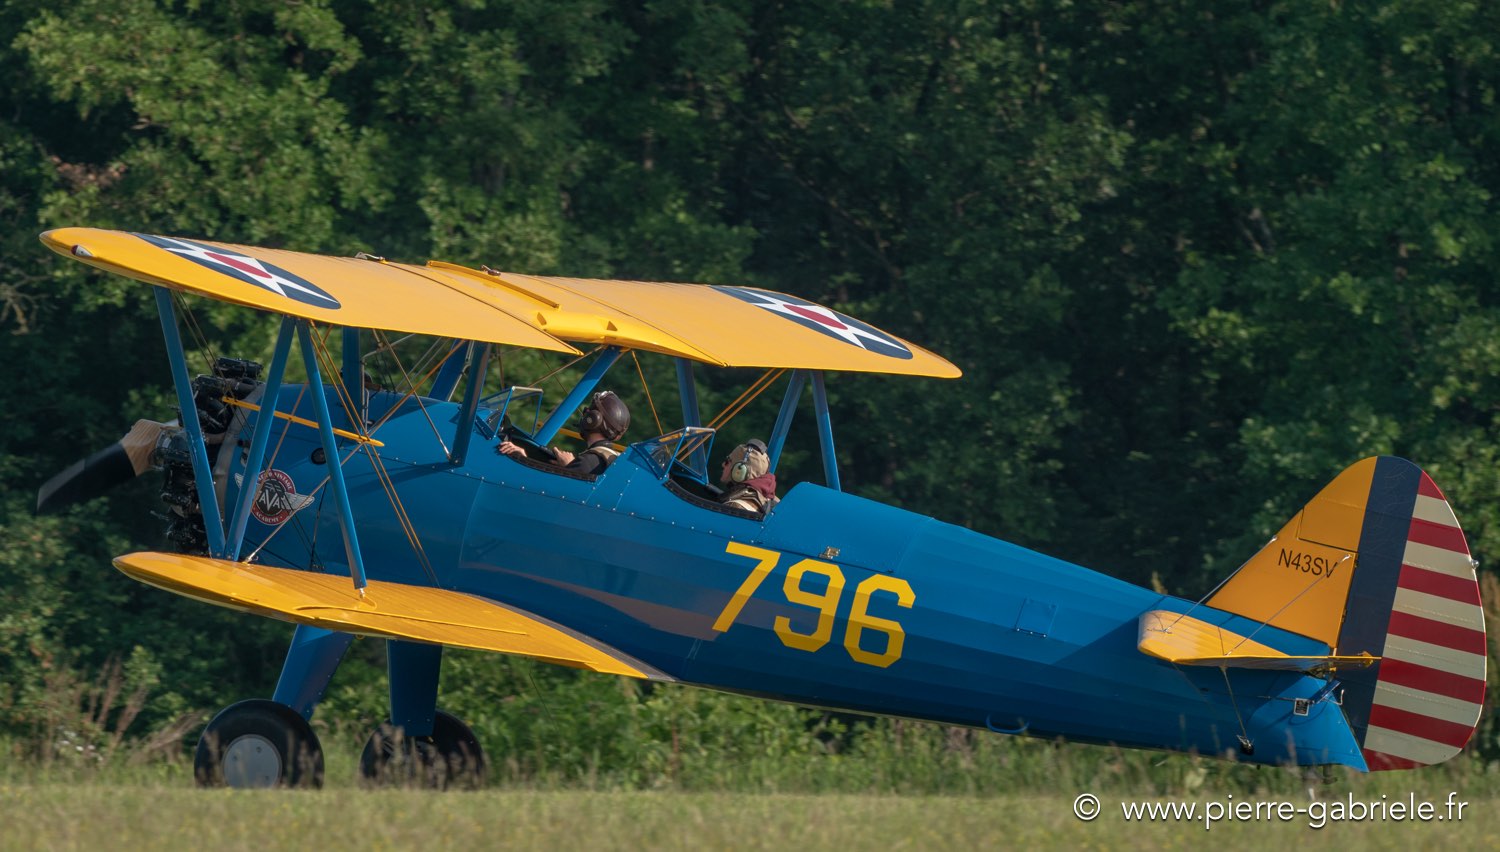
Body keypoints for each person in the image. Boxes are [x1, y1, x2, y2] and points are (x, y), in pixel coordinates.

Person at [498, 390, 630, 476]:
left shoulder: (586, 462)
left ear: (593, 420)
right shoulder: (612, 459)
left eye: (588, 412)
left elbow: (548, 490)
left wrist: (522, 457)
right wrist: (569, 466)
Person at [718, 439, 779, 514]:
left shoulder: (734, 507)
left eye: (728, 461)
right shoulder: (775, 506)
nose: (723, 464)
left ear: (740, 471)